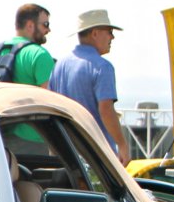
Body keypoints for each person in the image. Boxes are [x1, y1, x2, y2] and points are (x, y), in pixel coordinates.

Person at [49, 9, 129, 159]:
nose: (112, 37)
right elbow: (106, 109)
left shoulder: (59, 65)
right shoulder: (102, 66)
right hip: (96, 155)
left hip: (66, 152)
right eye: (110, 31)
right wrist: (123, 145)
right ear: (95, 33)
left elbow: (51, 109)